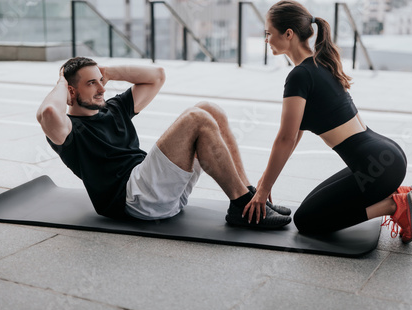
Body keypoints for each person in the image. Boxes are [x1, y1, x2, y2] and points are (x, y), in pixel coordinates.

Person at [36, 57, 291, 229]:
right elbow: (47, 112)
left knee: (208, 109)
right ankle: (242, 205)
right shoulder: (70, 133)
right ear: (71, 91)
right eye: (91, 83)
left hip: (157, 192)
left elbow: (156, 76)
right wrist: (62, 80)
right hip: (133, 199)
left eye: (100, 81)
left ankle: (248, 202)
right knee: (196, 118)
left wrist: (107, 73)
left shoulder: (114, 109)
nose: (101, 88)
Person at [243, 0, 412, 243]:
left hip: (376, 168)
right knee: (311, 206)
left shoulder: (299, 76)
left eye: (268, 33)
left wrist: (262, 191)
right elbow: (294, 136)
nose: (266, 39)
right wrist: (265, 181)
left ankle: (394, 205)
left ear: (288, 34)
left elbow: (284, 138)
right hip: (384, 157)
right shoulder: (320, 64)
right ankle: (400, 192)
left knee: (307, 221)